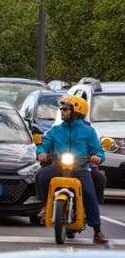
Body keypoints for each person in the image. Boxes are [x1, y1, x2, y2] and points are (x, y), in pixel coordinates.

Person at [36, 94, 108, 245]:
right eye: (61, 108)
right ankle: (44, 206)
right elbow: (44, 144)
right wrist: (41, 152)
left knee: (89, 193)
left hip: (81, 168)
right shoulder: (55, 130)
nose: (61, 111)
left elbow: (98, 150)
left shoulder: (88, 131)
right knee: (41, 175)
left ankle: (97, 231)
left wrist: (98, 157)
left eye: (65, 109)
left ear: (77, 111)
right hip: (59, 165)